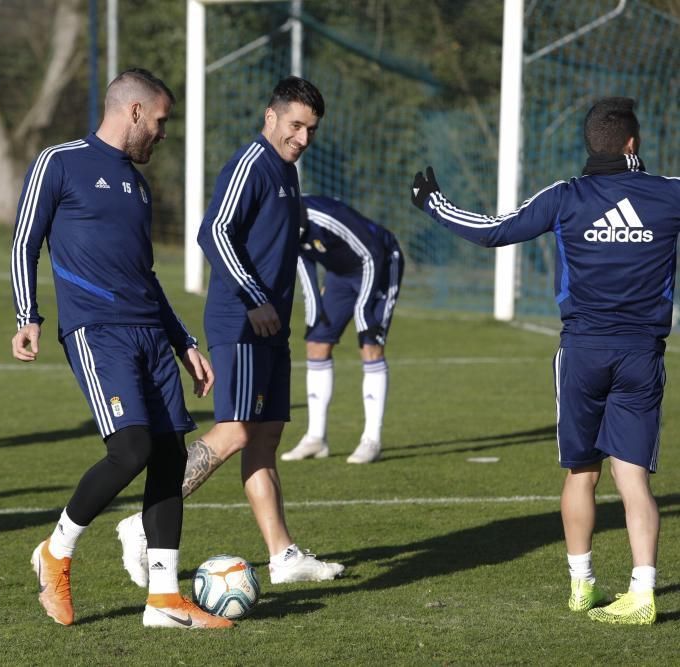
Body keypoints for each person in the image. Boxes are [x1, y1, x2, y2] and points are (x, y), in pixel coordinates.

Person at [411, 97, 677, 626]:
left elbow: (492, 229)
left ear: (591, 144)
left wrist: (432, 202)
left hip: (581, 353)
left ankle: (583, 586)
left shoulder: (566, 197)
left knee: (581, 473)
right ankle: (643, 592)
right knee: (634, 480)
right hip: (642, 354)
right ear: (632, 143)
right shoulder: (670, 194)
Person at [11, 68, 231, 629]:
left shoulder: (137, 184)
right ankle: (56, 552)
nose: (163, 133)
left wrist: (183, 341)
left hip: (150, 334)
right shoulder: (59, 161)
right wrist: (27, 316)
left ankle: (163, 600)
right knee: (129, 450)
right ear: (134, 112)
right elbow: (24, 241)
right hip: (96, 329)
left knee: (169, 456)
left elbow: (146, 274)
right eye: (160, 121)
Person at [116, 76, 345, 589]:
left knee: (265, 437)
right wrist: (255, 297)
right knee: (239, 430)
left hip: (271, 326)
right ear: (270, 117)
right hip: (239, 320)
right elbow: (213, 230)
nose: (303, 138)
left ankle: (283, 556)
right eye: (295, 126)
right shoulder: (251, 164)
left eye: (310, 130)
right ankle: (139, 524)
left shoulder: (288, 172)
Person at [280, 196, 404, 464]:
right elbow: (305, 271)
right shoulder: (282, 226)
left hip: (380, 264)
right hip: (340, 275)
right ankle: (316, 437)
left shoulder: (326, 217)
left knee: (370, 343)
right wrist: (314, 315)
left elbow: (372, 255)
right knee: (316, 342)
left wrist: (363, 310)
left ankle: (371, 440)